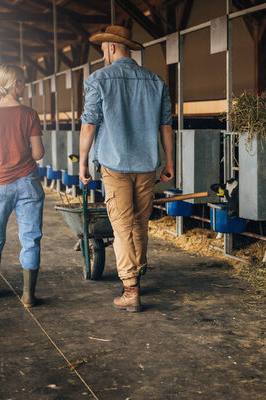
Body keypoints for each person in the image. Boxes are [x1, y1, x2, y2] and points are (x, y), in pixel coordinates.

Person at [79, 26, 174, 312]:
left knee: (121, 226)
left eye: (103, 50)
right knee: (139, 222)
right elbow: (166, 128)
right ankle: (137, 269)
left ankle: (130, 289)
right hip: (147, 164)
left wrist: (82, 162)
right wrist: (169, 163)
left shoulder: (98, 80)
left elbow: (89, 125)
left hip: (114, 164)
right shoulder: (156, 82)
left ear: (110, 48)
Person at [0, 64, 45, 308]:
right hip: (27, 181)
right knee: (30, 238)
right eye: (23, 82)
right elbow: (38, 153)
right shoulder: (29, 114)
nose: (24, 86)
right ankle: (28, 295)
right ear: (16, 84)